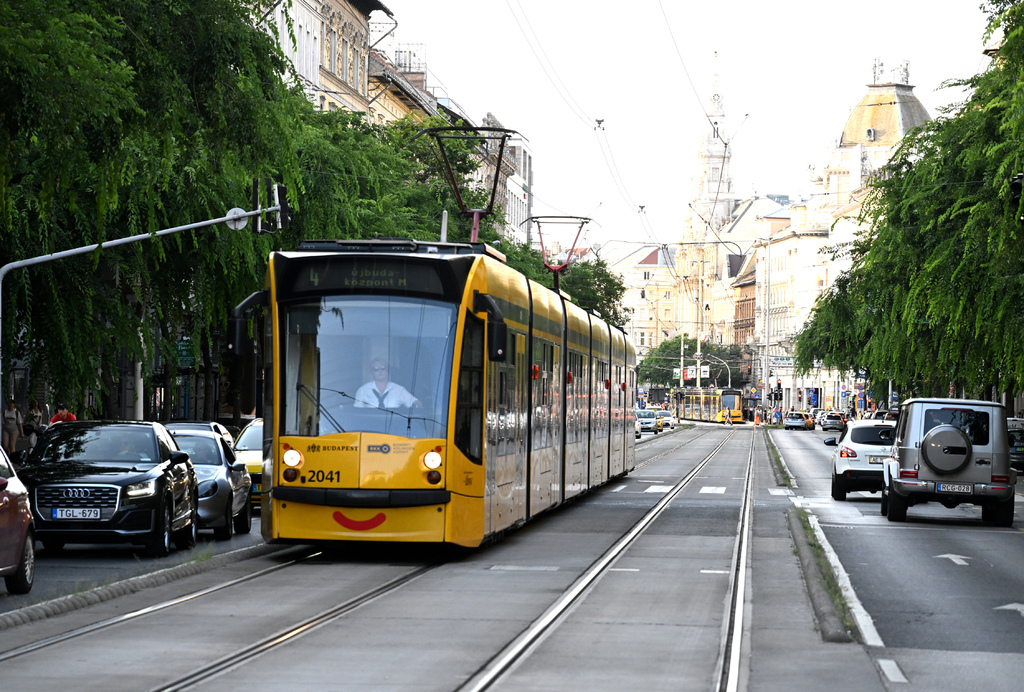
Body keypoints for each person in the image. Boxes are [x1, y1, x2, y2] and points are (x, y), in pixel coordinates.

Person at [354, 358, 420, 409]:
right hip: (369, 425)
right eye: (376, 369)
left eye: (383, 368)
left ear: (387, 370)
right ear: (372, 372)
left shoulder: (399, 389)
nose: (379, 371)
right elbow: (356, 412)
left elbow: (416, 403)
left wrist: (416, 405)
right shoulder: (363, 390)